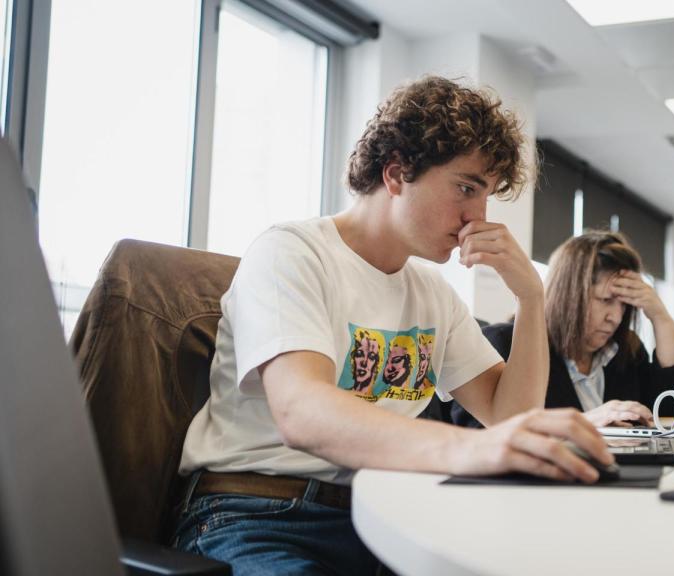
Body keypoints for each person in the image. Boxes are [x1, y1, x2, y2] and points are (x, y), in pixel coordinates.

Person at [173, 76, 612, 575]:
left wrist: (532, 297)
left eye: (486, 197)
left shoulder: (431, 294)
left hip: (379, 516)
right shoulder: (291, 252)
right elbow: (302, 413)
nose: (477, 216)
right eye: (466, 188)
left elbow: (504, 414)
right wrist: (470, 450)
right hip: (260, 512)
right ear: (398, 174)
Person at [453, 231, 674, 429]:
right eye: (606, 300)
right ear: (571, 295)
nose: (616, 317)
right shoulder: (504, 343)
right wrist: (583, 424)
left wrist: (660, 317)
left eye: (625, 304)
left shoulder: (626, 352)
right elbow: (477, 434)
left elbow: (670, 415)